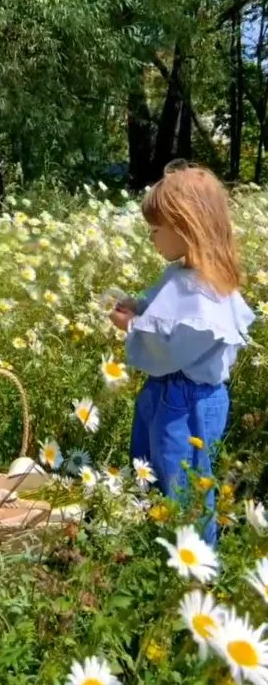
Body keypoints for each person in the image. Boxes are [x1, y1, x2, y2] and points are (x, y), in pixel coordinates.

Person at [109, 163, 255, 545]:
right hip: (167, 392)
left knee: (184, 479)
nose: (152, 238)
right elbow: (164, 315)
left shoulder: (205, 291)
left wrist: (132, 327)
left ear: (186, 226)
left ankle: (194, 560)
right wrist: (139, 308)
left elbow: (175, 347)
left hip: (188, 399)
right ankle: (158, 544)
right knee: (152, 465)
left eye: (156, 229)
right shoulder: (181, 276)